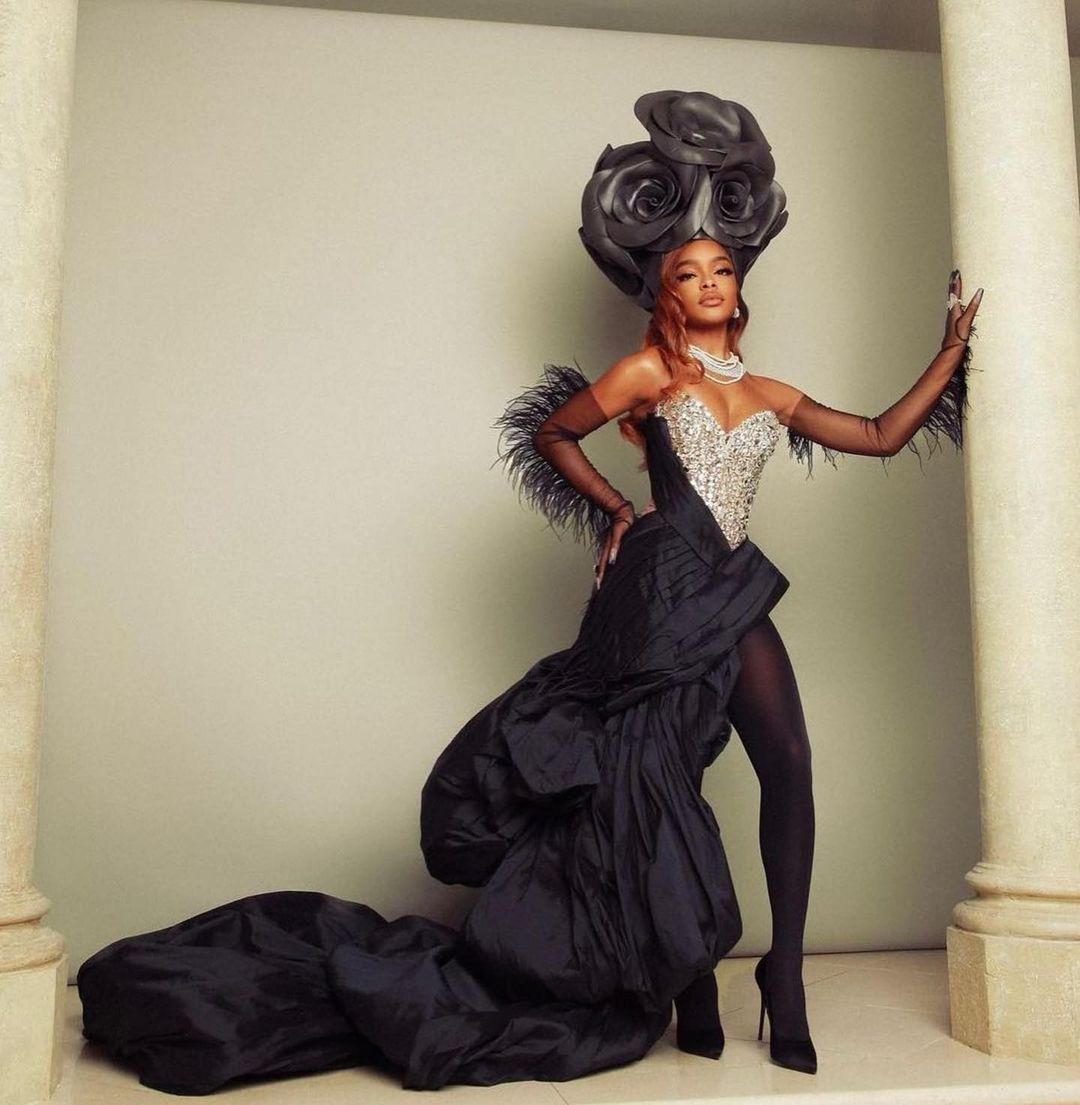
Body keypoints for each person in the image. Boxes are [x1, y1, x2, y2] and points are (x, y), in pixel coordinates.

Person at [76, 90, 982, 1093]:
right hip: (657, 592)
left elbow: (879, 434)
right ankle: (686, 979)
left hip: (730, 585)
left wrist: (948, 351)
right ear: (667, 291)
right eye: (689, 272)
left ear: (737, 287)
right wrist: (617, 509)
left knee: (791, 765)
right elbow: (553, 432)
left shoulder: (769, 394)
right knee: (655, 784)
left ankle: (786, 975)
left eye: (721, 270)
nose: (708, 282)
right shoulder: (647, 373)